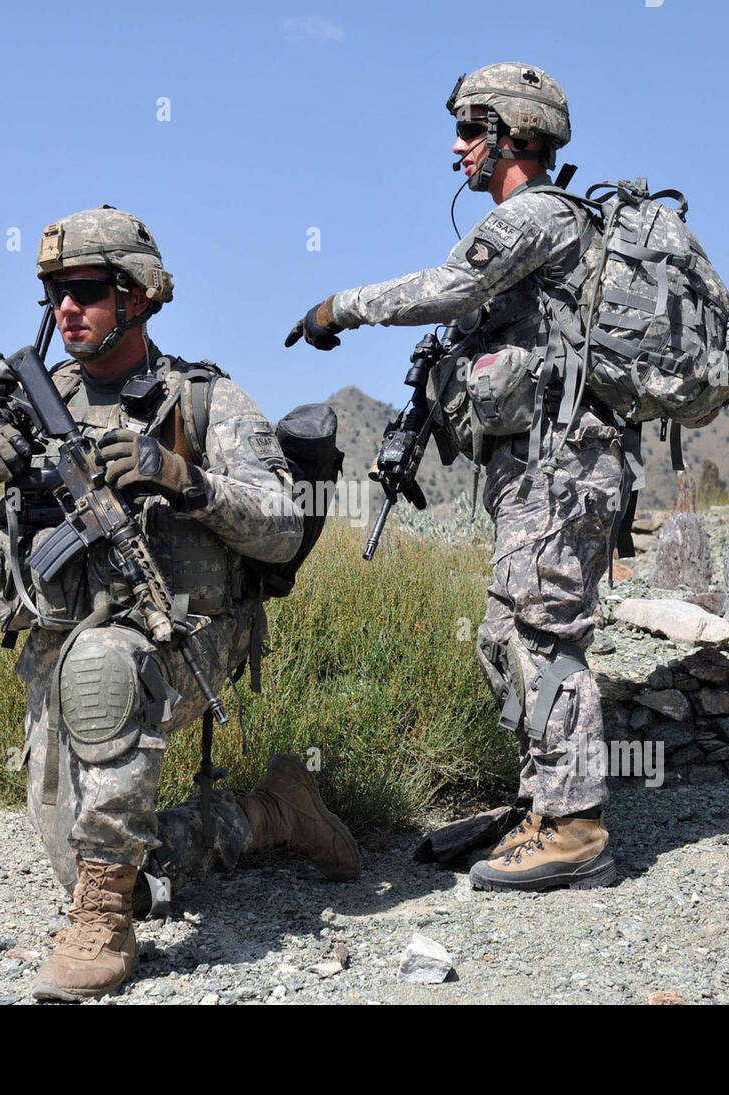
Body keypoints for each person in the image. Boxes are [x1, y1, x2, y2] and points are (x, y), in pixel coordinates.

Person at [0, 206, 359, 1002]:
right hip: (55, 649)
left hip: (183, 634)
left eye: (83, 290)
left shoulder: (202, 399)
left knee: (106, 675)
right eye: (53, 292)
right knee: (84, 858)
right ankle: (275, 813)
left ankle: (106, 922)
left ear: (139, 295)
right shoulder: (32, 400)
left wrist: (185, 480)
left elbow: (285, 528)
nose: (64, 309)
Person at [285, 64, 620, 893]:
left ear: (513, 134)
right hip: (531, 465)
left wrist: (340, 306)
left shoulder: (535, 216)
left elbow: (445, 287)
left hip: (561, 461)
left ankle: (576, 826)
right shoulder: (529, 233)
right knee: (505, 633)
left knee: (544, 632)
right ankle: (541, 803)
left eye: (472, 131)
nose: (457, 149)